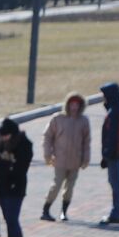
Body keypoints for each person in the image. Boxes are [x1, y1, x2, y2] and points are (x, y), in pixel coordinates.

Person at [39, 93, 90, 222]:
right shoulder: (58, 119)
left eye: (77, 105)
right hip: (60, 159)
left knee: (70, 187)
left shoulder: (83, 121)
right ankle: (46, 209)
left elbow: (86, 141)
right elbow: (47, 136)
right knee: (56, 185)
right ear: (67, 105)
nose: (74, 107)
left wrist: (86, 158)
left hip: (75, 160)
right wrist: (47, 154)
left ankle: (64, 211)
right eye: (72, 104)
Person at [0, 117, 33, 237]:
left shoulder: (24, 145)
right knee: (9, 221)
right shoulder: (4, 143)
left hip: (15, 188)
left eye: (6, 135)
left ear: (12, 133)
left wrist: (5, 161)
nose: (3, 138)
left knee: (12, 221)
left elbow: (19, 168)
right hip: (2, 186)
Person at [98, 82, 119, 226]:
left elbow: (114, 136)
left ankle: (116, 213)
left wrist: (108, 154)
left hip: (114, 154)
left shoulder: (116, 111)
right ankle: (117, 211)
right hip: (115, 153)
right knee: (114, 182)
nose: (103, 99)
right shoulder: (117, 108)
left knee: (115, 182)